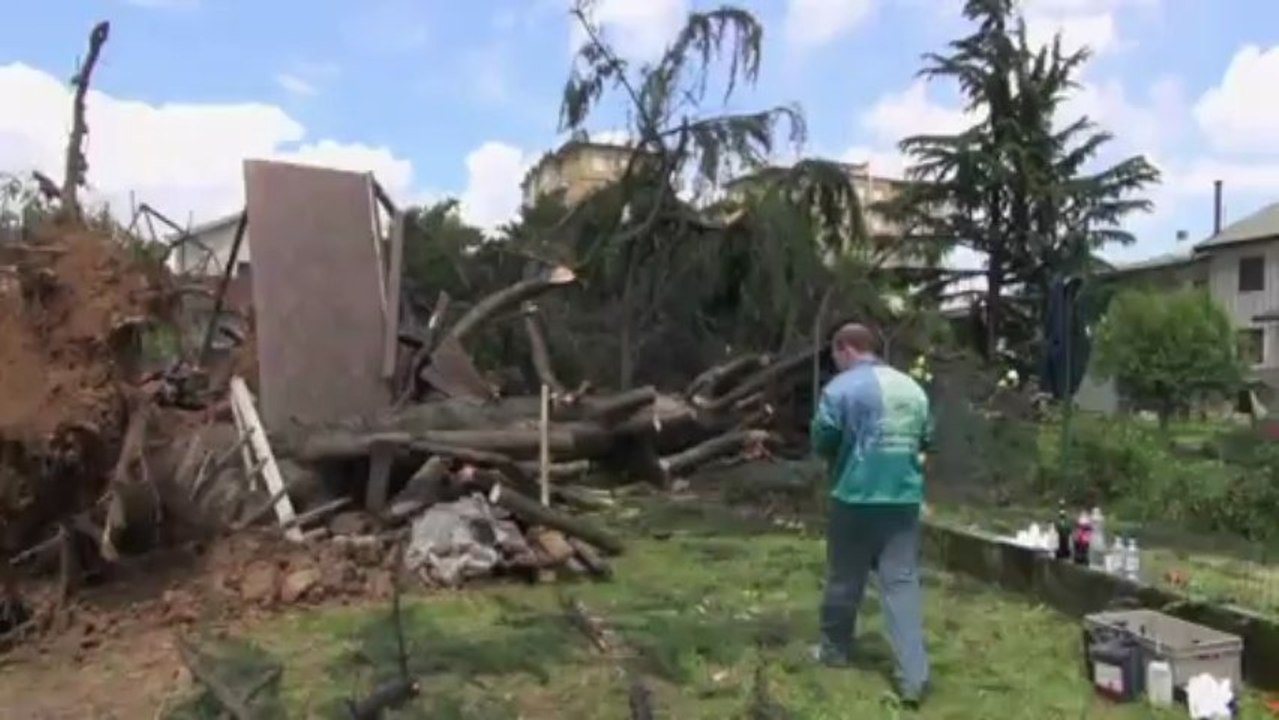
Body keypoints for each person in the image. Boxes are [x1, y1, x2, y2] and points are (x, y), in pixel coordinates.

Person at [810, 322, 932, 707]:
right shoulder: (912, 389)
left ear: (845, 349)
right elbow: (927, 439)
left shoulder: (839, 389)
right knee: (901, 584)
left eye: (835, 357)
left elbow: (823, 439)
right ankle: (913, 677)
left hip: (856, 496)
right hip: (902, 499)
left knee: (845, 577)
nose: (836, 364)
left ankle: (834, 650)